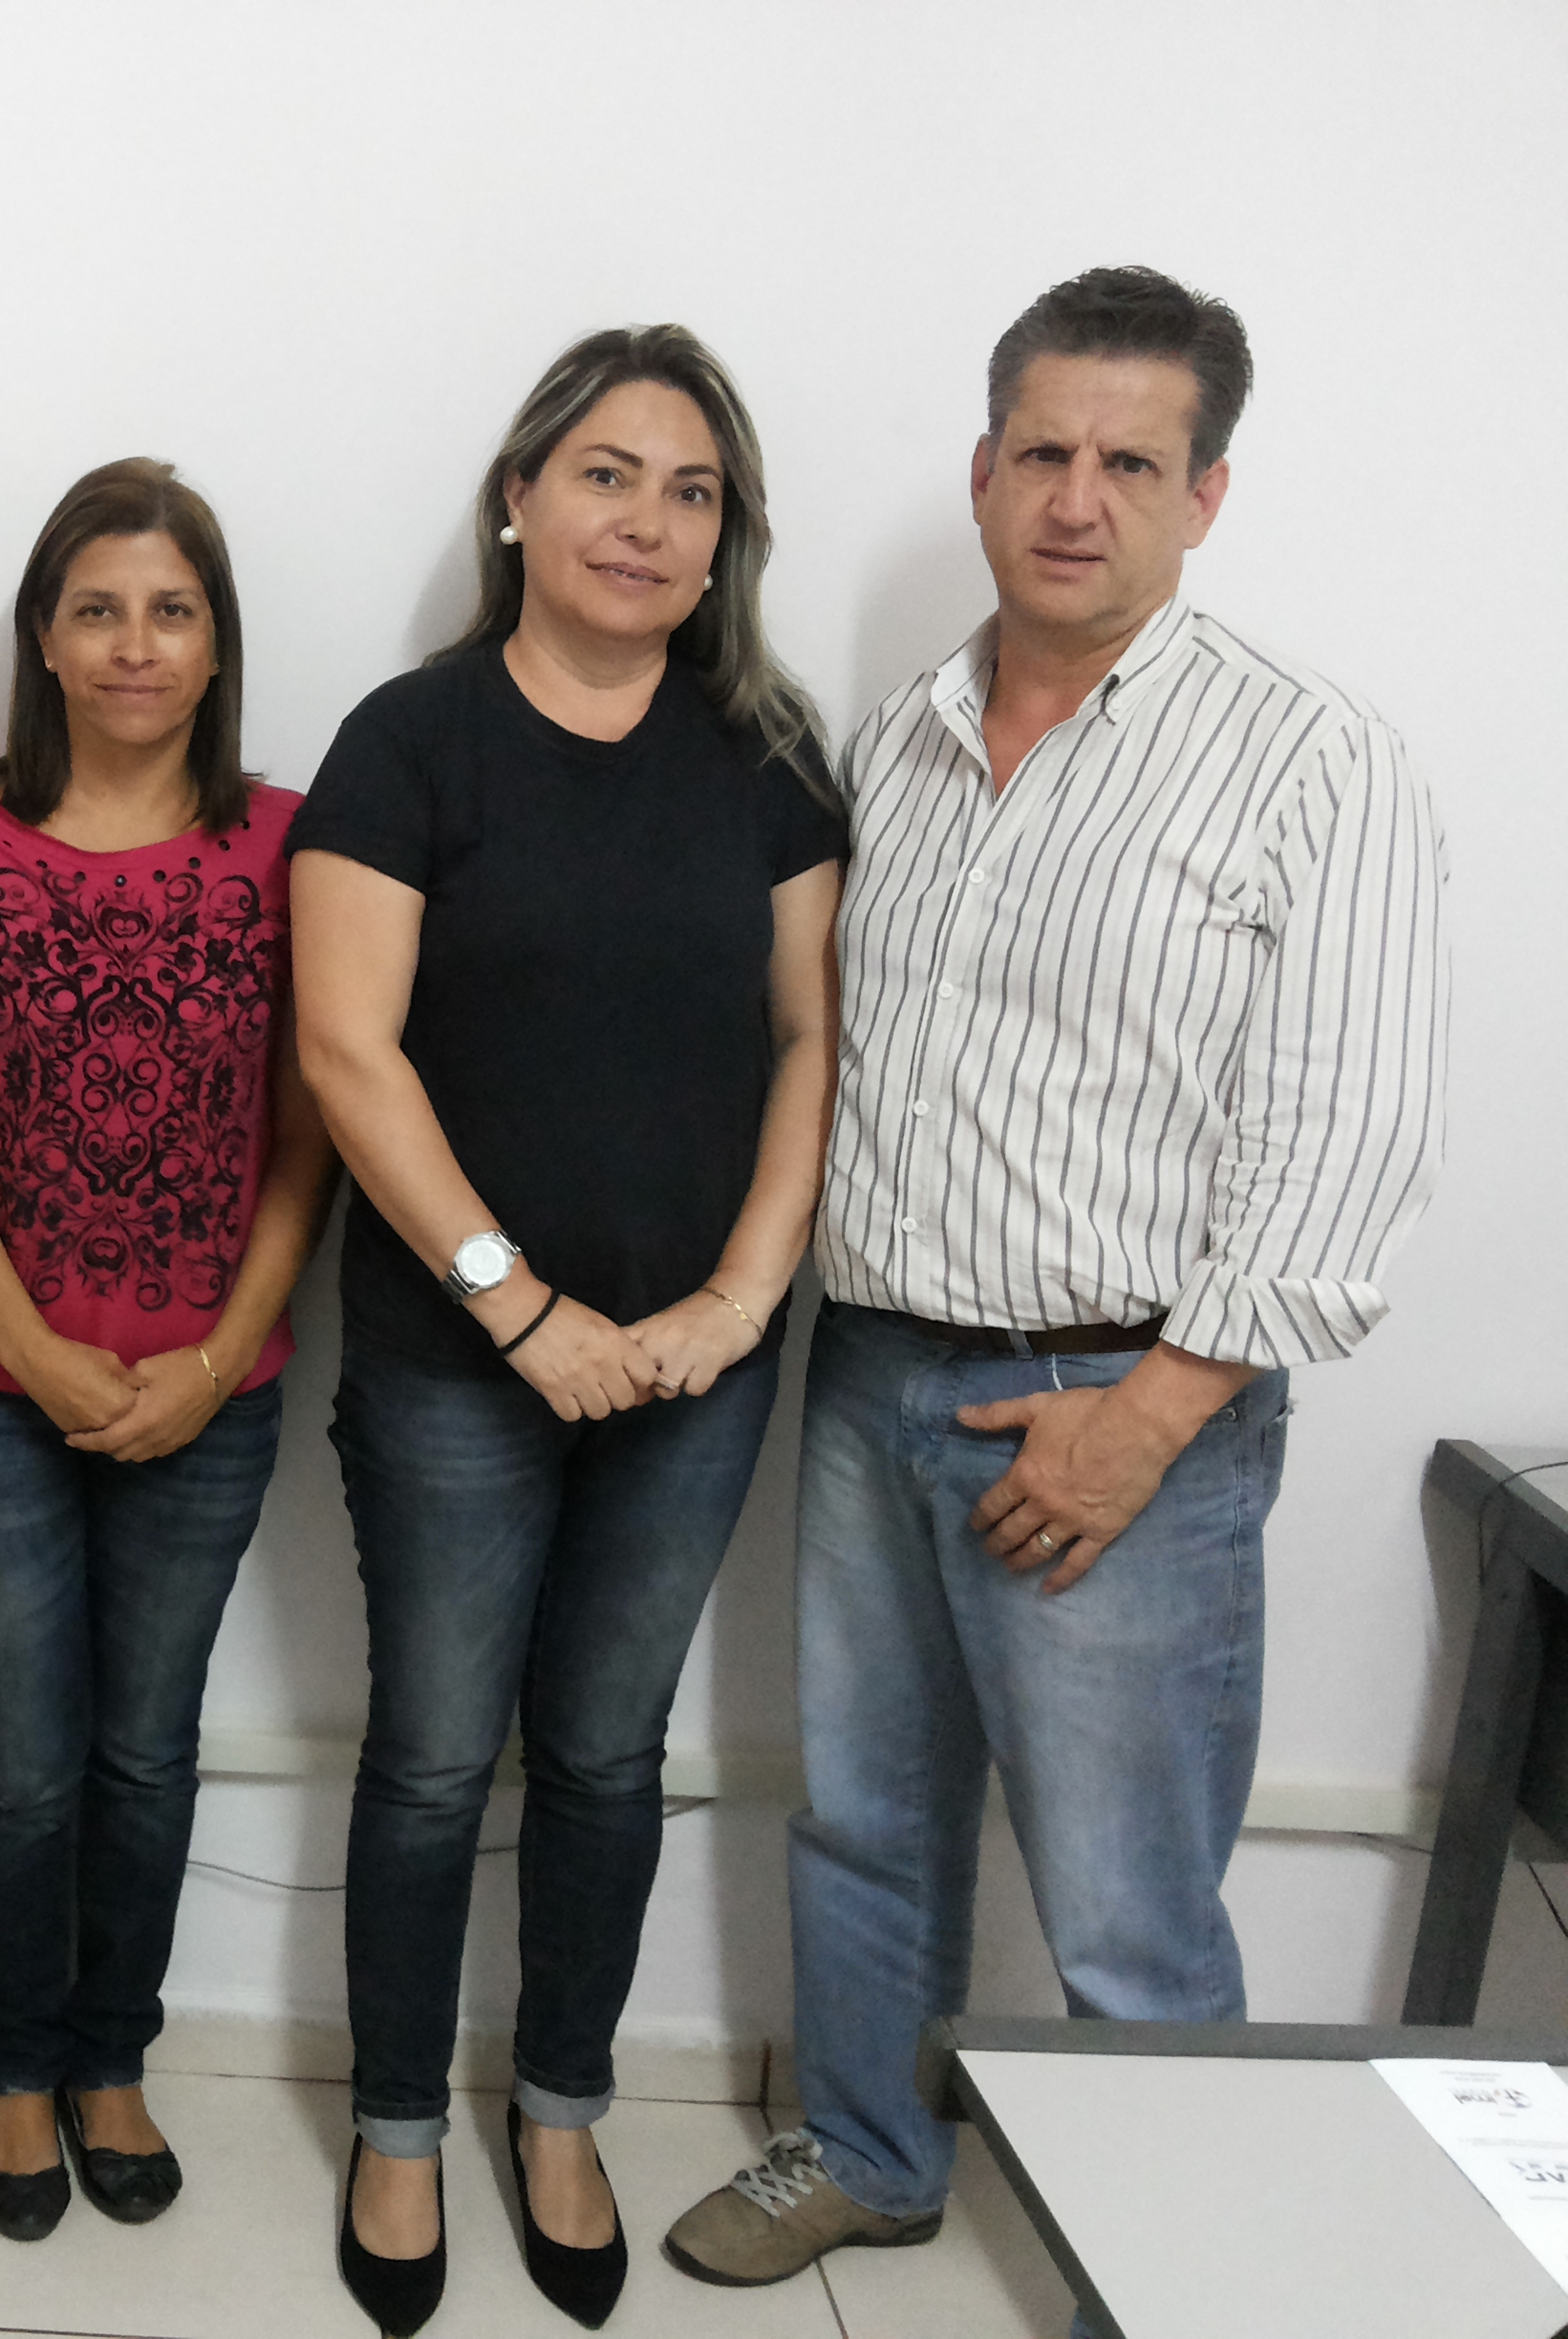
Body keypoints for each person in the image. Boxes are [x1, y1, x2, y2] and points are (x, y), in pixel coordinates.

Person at [660, 268, 1448, 2307]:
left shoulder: (1312, 763)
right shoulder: (902, 743)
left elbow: (1346, 1142)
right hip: (875, 1374)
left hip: (1129, 1404)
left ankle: (1181, 2268)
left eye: (1131, 462)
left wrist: (1148, 1421)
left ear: (1207, 496)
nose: (1077, 497)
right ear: (983, 468)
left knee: (1122, 1897)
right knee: (862, 1819)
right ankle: (867, 2154)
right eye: (1043, 451)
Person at [289, 326, 844, 2334]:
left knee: (609, 1755)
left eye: (693, 493)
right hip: (458, 1365)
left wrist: (737, 1299)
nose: (647, 522)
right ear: (519, 498)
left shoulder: (767, 757)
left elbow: (813, 1040)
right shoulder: (409, 741)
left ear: (725, 540)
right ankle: (397, 2130)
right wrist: (517, 1310)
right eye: (609, 474)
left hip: (692, 1374)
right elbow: (347, 1052)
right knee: (438, 1759)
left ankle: (561, 2112)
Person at [0, 459, 337, 2242]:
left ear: (217, 646)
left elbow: (311, 1141)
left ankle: (112, 2055)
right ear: (45, 641)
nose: (136, 644)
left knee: (147, 1747)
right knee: (22, 1755)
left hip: (211, 1396)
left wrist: (213, 1362)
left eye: (172, 610)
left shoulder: (290, 844)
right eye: (99, 609)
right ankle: (15, 2069)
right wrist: (37, 1352)